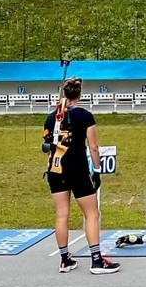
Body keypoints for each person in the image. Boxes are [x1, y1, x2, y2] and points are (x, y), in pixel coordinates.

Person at [43, 77, 120, 274]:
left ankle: (64, 259)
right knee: (92, 214)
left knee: (61, 215)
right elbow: (93, 147)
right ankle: (96, 260)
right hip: (77, 169)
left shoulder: (52, 118)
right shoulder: (85, 116)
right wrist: (97, 169)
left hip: (55, 169)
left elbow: (46, 146)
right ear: (80, 94)